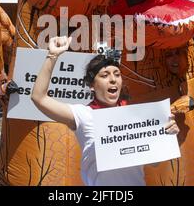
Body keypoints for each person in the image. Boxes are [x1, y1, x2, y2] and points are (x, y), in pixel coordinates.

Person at [31, 36, 180, 186]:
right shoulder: (83, 114)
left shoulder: (135, 117)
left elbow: (153, 163)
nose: (113, 79)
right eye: (104, 75)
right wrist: (52, 55)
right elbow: (39, 98)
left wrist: (166, 136)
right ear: (91, 85)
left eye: (117, 74)